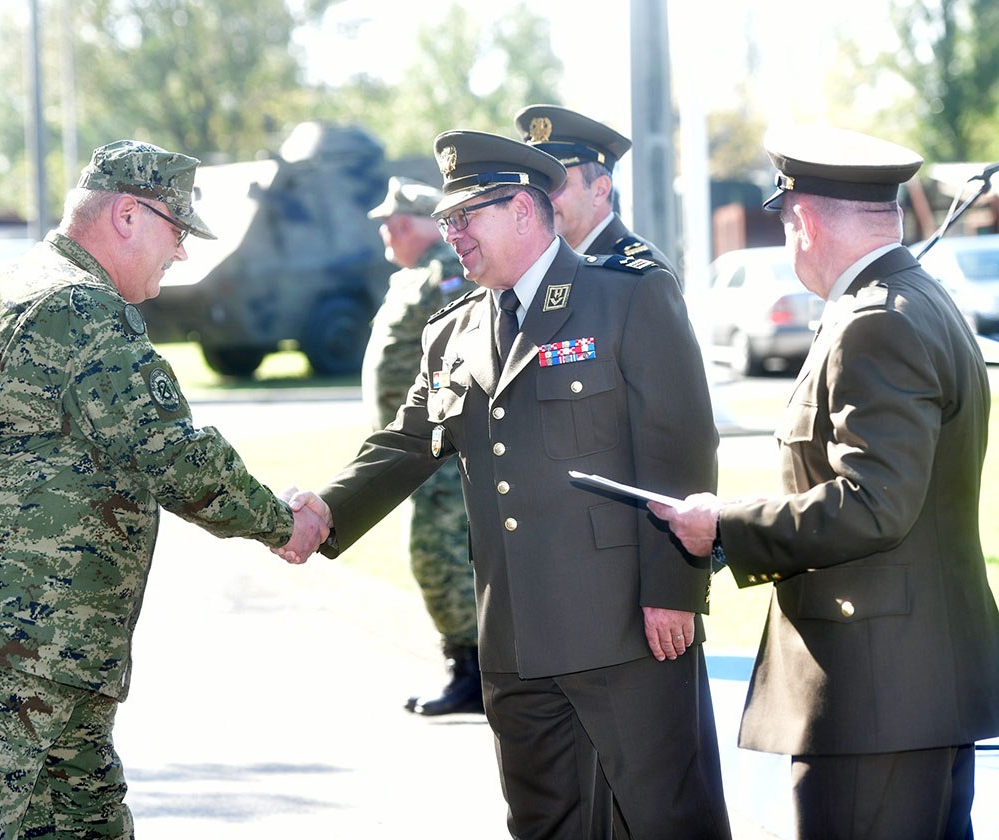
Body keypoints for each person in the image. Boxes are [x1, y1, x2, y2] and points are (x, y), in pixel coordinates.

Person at [0, 140, 328, 838]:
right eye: (177, 229)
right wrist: (283, 522)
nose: (182, 253)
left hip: (48, 649)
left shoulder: (22, 285)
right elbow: (173, 454)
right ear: (128, 216)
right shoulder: (77, 307)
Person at [285, 130, 731, 838]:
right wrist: (325, 509)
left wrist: (674, 590)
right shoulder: (453, 330)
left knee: (664, 820)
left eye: (466, 216)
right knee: (543, 824)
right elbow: (408, 441)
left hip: (627, 630)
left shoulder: (627, 297)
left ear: (523, 209)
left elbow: (680, 449)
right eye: (446, 220)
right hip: (515, 638)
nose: (451, 234)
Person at [649, 125, 999, 840]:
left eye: (785, 222)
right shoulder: (914, 300)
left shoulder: (876, 323)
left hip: (874, 691)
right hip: (911, 685)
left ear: (803, 220)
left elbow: (874, 505)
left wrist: (725, 524)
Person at [361, 176, 483, 715]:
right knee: (442, 556)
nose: (385, 232)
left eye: (391, 222)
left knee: (439, 556)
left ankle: (474, 673)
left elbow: (463, 356)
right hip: (417, 452)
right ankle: (471, 669)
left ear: (413, 225)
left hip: (442, 454)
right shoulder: (412, 276)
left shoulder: (447, 272)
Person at [514, 104, 677, 274]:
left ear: (600, 190)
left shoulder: (640, 273)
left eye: (559, 183)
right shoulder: (537, 265)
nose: (542, 197)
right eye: (539, 184)